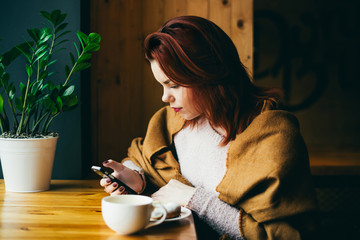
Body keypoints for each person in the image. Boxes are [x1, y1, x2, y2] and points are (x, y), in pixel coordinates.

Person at [100, 16, 319, 239]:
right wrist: (138, 177)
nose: (165, 97)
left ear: (209, 75)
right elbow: (141, 157)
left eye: (173, 85)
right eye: (161, 85)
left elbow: (282, 234)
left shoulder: (275, 136)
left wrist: (195, 200)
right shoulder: (171, 120)